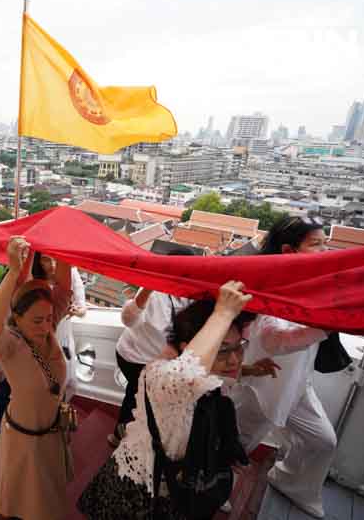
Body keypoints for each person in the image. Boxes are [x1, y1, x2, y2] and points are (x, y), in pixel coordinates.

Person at [78, 281, 254, 519]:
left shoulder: (206, 377)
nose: (234, 360)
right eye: (221, 349)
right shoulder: (161, 377)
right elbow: (185, 376)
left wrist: (251, 369)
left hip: (177, 484)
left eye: (238, 347)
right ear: (185, 348)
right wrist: (222, 314)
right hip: (140, 486)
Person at [231, 216, 333, 519]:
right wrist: (326, 328)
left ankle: (291, 481)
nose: (325, 251)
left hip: (298, 383)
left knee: (324, 441)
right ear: (289, 250)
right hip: (262, 384)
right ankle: (218, 488)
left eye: (326, 243)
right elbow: (274, 341)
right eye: (316, 244)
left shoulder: (316, 280)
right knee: (238, 446)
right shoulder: (269, 286)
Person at [0, 236, 73, 520]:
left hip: (52, 433)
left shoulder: (48, 325)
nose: (46, 326)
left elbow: (63, 288)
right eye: (37, 320)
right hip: (24, 438)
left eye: (49, 318)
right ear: (18, 318)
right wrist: (13, 270)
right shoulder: (10, 344)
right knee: (22, 501)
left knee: (48, 496)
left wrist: (59, 237)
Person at [107, 247, 196, 447]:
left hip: (157, 359)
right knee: (139, 397)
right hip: (135, 356)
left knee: (136, 395)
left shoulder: (189, 295)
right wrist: (147, 288)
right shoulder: (154, 293)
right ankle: (122, 436)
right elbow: (128, 319)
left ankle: (120, 435)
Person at [32, 252, 87, 401]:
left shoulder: (72, 272)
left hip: (64, 334)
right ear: (38, 262)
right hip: (42, 336)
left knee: (69, 381)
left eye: (55, 259)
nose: (52, 265)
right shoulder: (33, 281)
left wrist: (75, 311)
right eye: (46, 260)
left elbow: (82, 308)